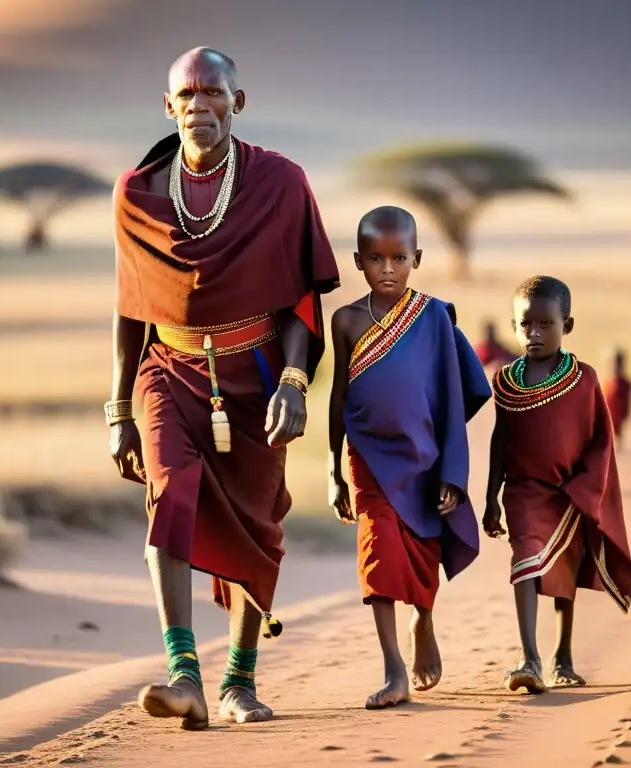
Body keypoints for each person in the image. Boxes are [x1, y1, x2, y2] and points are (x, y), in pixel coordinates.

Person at [107, 47, 340, 731]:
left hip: (257, 376)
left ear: (238, 104)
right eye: (187, 94)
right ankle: (185, 672)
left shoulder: (281, 183)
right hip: (169, 371)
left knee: (258, 525)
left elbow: (301, 297)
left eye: (214, 93)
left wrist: (296, 383)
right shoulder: (137, 194)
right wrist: (118, 408)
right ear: (168, 105)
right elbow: (129, 308)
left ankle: (240, 680)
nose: (200, 105)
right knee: (168, 494)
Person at [328, 206, 491, 709]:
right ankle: (392, 668)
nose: (389, 269)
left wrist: (452, 472)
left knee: (423, 551)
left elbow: (454, 393)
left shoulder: (435, 317)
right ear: (358, 261)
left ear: (417, 258)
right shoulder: (347, 321)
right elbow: (338, 396)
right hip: (368, 458)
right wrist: (333, 469)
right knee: (377, 554)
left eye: (399, 257)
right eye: (376, 259)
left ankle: (423, 619)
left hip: (424, 454)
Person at [482, 276, 631, 694]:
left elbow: (600, 438)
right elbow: (501, 440)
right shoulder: (505, 383)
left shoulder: (583, 379)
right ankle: (529, 656)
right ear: (513, 326)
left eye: (544, 324)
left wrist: (586, 489)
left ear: (566, 326)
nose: (533, 333)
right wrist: (490, 497)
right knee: (525, 565)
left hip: (568, 494)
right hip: (521, 492)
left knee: (562, 575)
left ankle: (563, 656)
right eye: (524, 324)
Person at [602, 347, 631, 451]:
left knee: (618, 426)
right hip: (611, 410)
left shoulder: (625, 384)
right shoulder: (608, 384)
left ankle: (618, 441)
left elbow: (628, 399)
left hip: (620, 411)